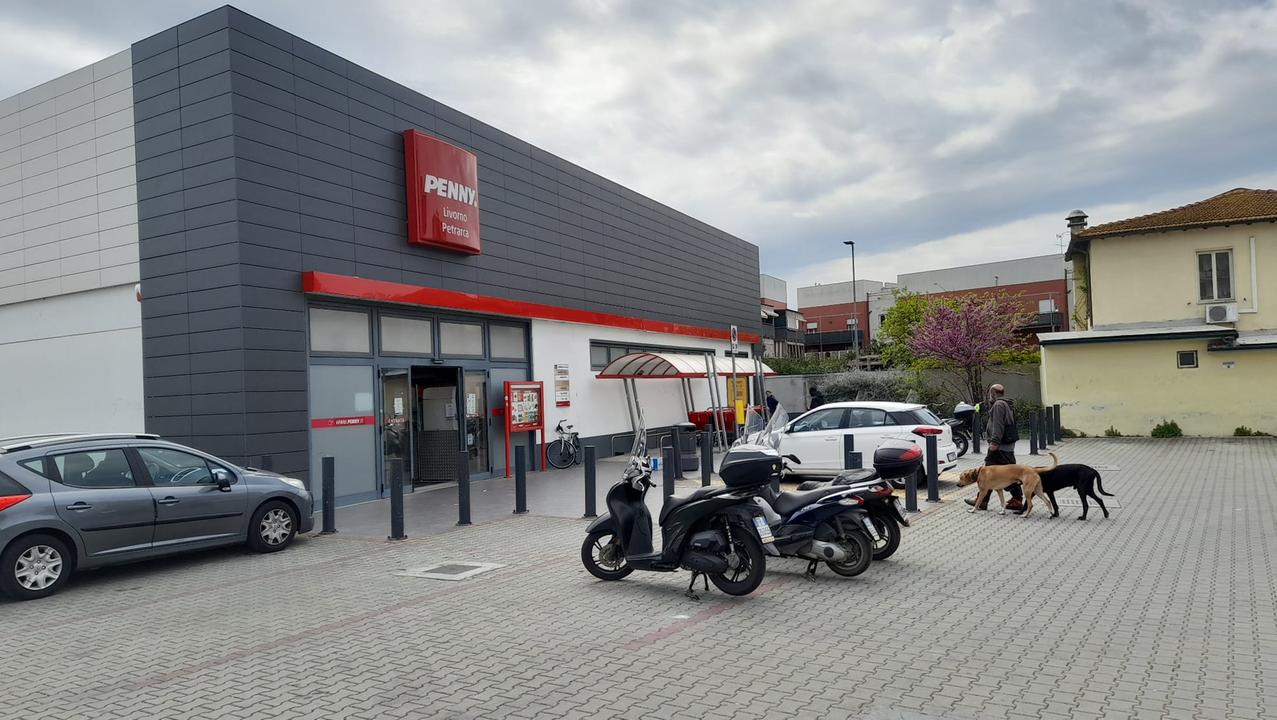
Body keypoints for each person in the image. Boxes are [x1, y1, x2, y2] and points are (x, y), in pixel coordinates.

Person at [965, 383, 1024, 512]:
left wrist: (994, 444)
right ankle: (985, 500)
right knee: (1006, 474)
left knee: (994, 474)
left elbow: (998, 425)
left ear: (993, 393)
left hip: (999, 446)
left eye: (989, 393)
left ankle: (1014, 500)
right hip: (1007, 445)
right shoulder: (1008, 404)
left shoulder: (998, 405)